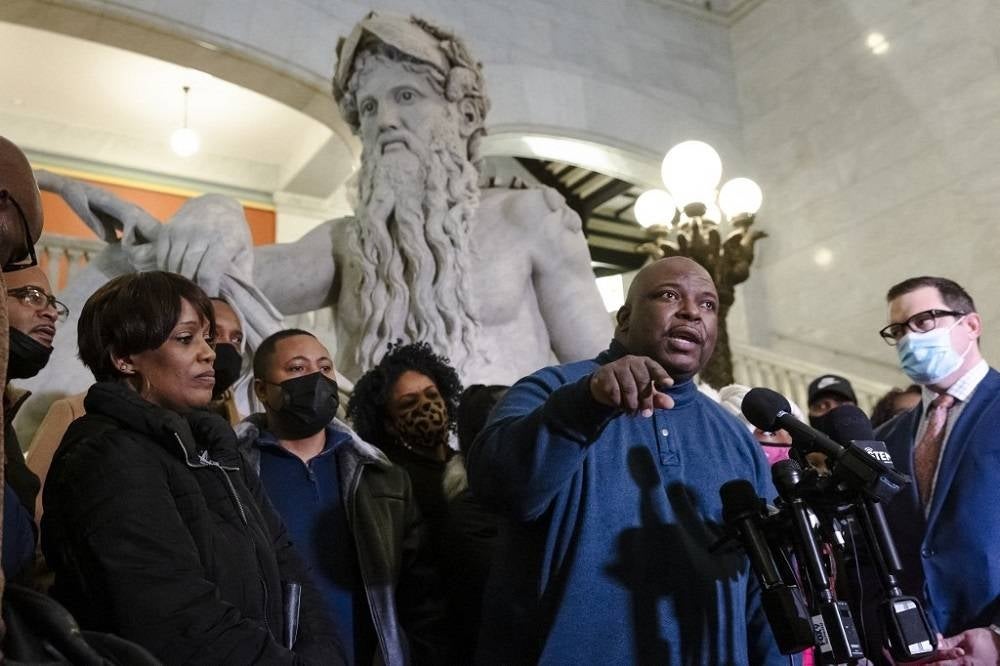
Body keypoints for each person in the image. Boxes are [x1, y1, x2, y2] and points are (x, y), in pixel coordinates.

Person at [151, 12, 611, 386]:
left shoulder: (527, 218)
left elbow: (602, 367)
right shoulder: (346, 244)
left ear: (464, 114)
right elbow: (227, 278)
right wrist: (216, 208)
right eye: (368, 107)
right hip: (378, 482)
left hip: (500, 477)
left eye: (406, 95)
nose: (385, 119)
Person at [467, 256, 783, 664]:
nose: (691, 311)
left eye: (707, 304)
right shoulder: (551, 389)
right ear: (624, 320)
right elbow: (501, 488)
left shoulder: (735, 437)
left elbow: (764, 586)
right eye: (669, 295)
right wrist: (585, 404)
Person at [40, 271, 343, 664]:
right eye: (186, 339)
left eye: (206, 337)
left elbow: (288, 567)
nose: (210, 353)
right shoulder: (107, 454)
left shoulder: (216, 448)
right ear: (124, 358)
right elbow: (175, 620)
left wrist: (322, 654)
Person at [236, 328, 447, 664]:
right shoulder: (233, 472)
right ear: (262, 389)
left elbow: (420, 594)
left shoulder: (381, 476)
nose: (316, 379)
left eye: (324, 368)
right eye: (297, 369)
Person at [871, 276, 1000, 663]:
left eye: (924, 321)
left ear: (971, 325)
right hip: (917, 649)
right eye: (898, 330)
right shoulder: (884, 439)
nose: (910, 338)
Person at [347, 342, 467, 559]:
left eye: (432, 395)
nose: (427, 406)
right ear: (389, 424)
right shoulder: (395, 481)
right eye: (409, 403)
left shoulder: (468, 461)